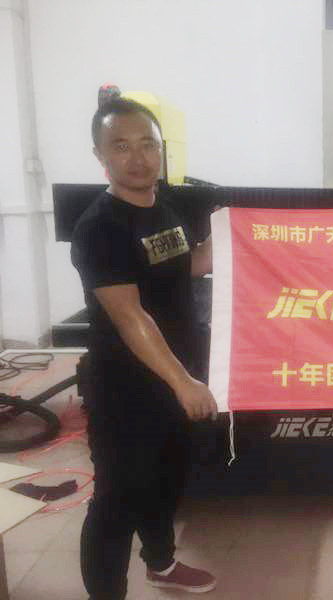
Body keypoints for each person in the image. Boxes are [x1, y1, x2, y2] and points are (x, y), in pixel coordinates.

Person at [71, 97, 217, 599]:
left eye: (148, 145)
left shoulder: (163, 208)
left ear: (161, 149)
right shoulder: (100, 228)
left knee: (165, 478)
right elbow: (131, 316)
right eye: (121, 147)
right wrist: (184, 381)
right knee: (117, 498)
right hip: (125, 386)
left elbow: (186, 265)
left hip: (174, 378)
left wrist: (241, 235)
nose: (138, 158)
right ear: (100, 155)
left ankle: (161, 563)